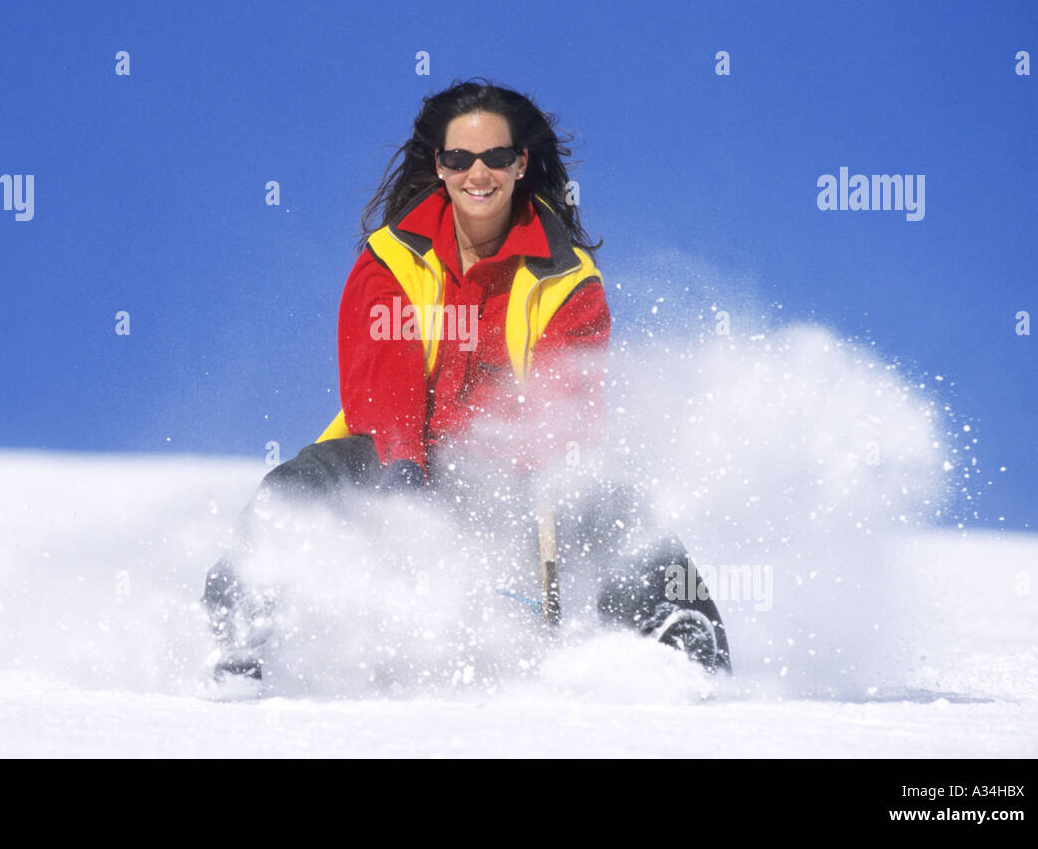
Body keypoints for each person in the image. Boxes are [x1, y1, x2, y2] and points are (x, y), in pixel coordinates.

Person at [203, 79, 731, 683]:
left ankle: (682, 643)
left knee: (613, 503)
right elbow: (382, 382)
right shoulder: (391, 260)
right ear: (440, 165)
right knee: (294, 488)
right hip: (386, 458)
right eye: (459, 159)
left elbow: (569, 398)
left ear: (520, 162)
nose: (478, 173)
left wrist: (542, 471)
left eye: (496, 157)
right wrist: (404, 469)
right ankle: (238, 641)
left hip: (509, 476)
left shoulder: (567, 278)